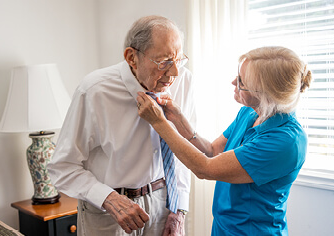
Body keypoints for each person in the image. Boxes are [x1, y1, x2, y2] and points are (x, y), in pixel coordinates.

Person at [137, 46, 312, 236]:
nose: (233, 82)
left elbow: (205, 168)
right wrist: (178, 120)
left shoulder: (285, 142)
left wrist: (159, 123)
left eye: (242, 82)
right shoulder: (250, 112)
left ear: (266, 94)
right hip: (224, 227)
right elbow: (212, 150)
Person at [47, 15, 196, 236]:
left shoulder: (183, 79)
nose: (174, 72)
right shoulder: (94, 90)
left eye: (179, 59)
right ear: (131, 57)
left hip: (165, 203)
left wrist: (179, 209)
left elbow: (182, 148)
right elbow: (62, 167)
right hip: (108, 210)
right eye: (164, 62)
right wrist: (108, 198)